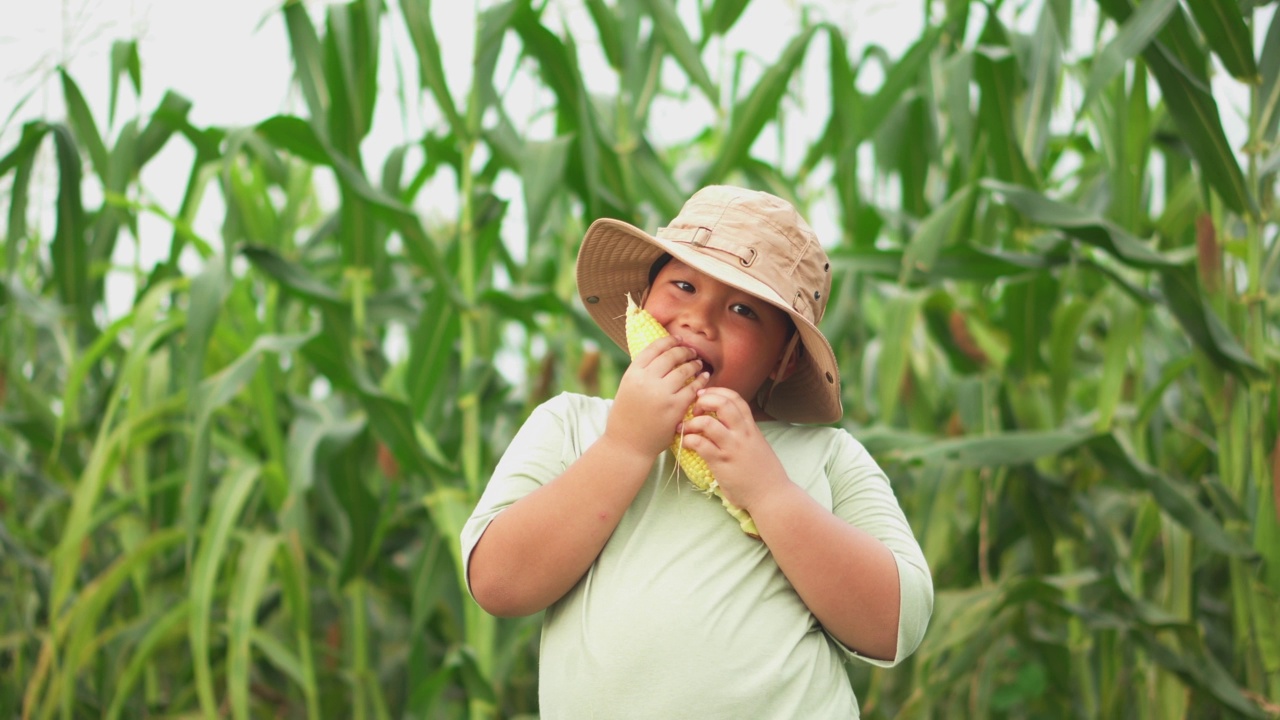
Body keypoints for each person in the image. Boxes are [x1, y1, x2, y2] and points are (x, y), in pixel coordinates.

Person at [461, 185, 933, 718]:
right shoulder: (572, 425)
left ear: (785, 361)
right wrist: (625, 445)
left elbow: (896, 625)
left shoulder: (827, 456)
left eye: (742, 310)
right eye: (683, 285)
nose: (700, 319)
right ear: (640, 300)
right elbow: (498, 584)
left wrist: (769, 493)